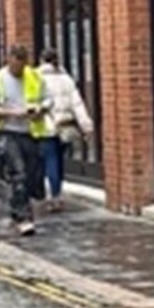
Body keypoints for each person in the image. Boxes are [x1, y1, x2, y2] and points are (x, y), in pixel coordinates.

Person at [0, 45, 50, 236]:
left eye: (22, 66)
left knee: (31, 177)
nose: (19, 70)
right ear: (9, 60)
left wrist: (40, 109)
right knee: (19, 174)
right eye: (16, 66)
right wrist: (11, 113)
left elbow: (48, 99)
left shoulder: (35, 77)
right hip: (8, 132)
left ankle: (16, 210)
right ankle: (24, 218)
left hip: (30, 132)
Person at [37, 48, 94, 212]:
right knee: (59, 161)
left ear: (41, 60)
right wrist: (86, 126)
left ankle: (53, 196)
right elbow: (77, 104)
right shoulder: (67, 79)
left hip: (46, 126)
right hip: (66, 126)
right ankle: (58, 193)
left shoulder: (37, 78)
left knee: (50, 160)